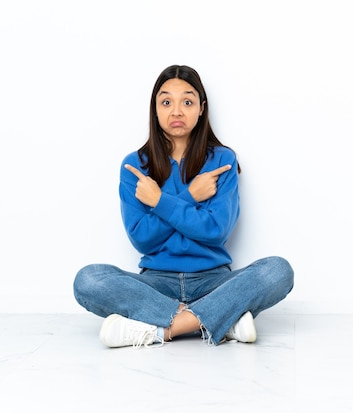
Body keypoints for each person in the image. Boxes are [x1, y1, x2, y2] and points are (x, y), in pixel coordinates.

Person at [73, 64, 294, 348]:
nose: (176, 112)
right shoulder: (135, 167)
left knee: (277, 270)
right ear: (155, 109)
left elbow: (215, 231)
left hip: (214, 282)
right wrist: (190, 196)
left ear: (201, 108)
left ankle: (160, 329)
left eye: (187, 102)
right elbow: (142, 239)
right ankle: (220, 320)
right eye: (166, 102)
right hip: (156, 285)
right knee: (89, 280)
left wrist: (159, 202)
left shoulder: (222, 161)